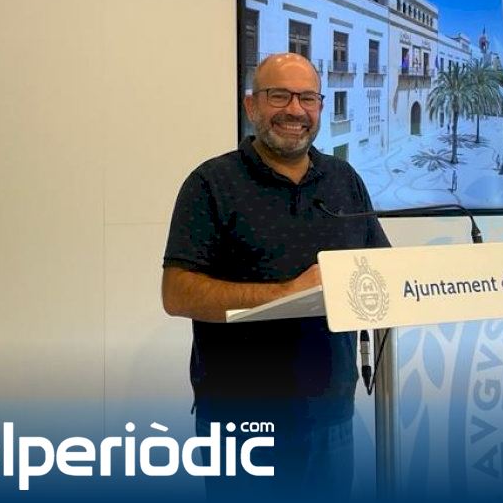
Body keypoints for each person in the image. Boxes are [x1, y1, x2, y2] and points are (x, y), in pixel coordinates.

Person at [161, 53, 390, 502]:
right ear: (252, 106)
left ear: (320, 106)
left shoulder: (343, 179)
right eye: (279, 96)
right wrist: (286, 293)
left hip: (331, 414)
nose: (295, 110)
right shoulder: (211, 183)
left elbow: (381, 266)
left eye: (307, 98)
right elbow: (177, 293)